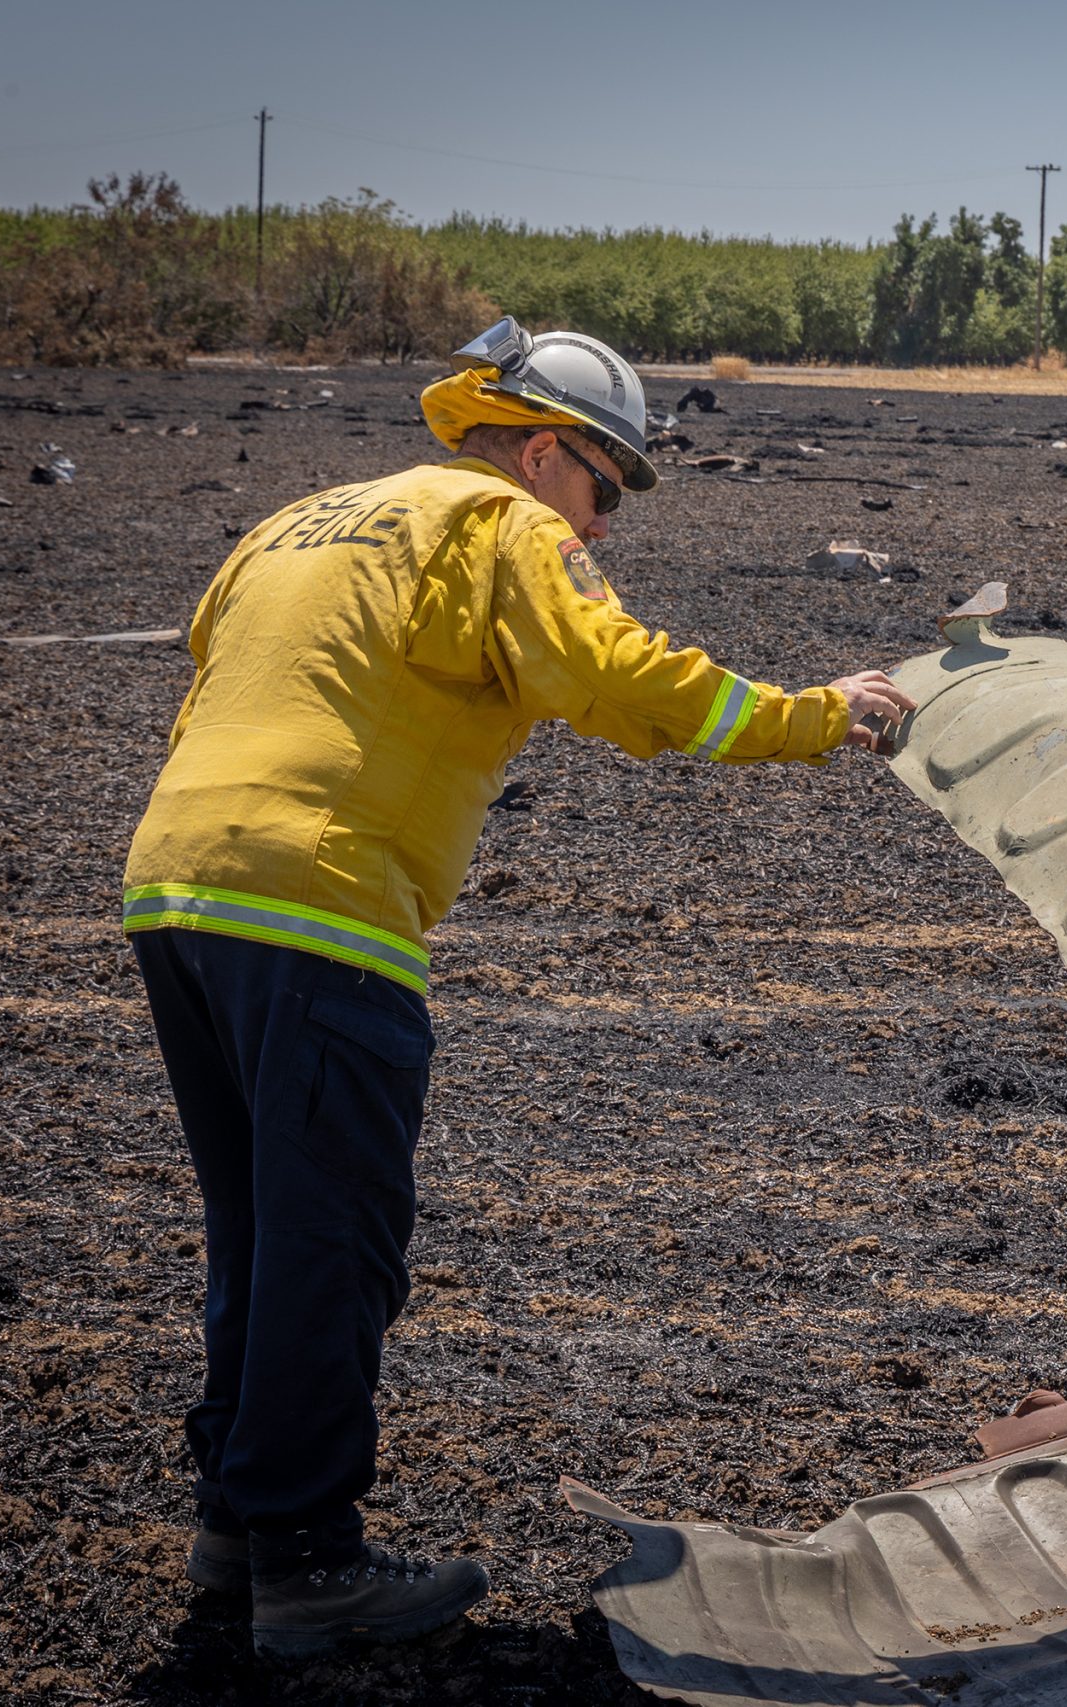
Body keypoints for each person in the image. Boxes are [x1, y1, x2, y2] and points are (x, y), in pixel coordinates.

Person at [120, 319, 915, 1660]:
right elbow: (609, 673)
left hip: (177, 884)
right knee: (337, 1244)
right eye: (606, 491)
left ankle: (238, 1527)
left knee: (260, 1228)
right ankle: (309, 1565)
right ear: (548, 453)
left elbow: (216, 659)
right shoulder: (506, 525)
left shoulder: (308, 517)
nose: (603, 528)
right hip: (322, 896)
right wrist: (817, 714)